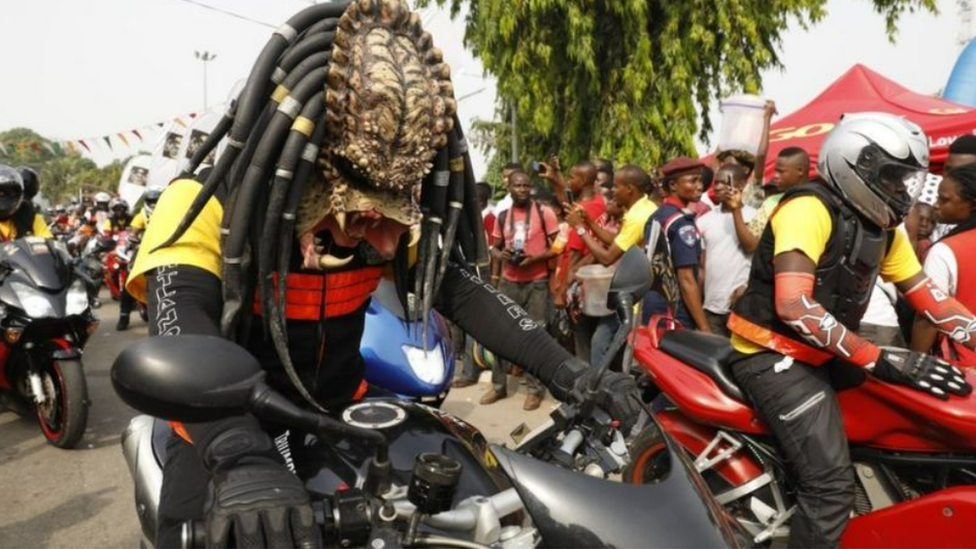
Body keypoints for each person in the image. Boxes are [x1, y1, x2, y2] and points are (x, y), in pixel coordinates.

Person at [127, 4, 640, 547]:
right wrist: (237, 449)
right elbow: (181, 324)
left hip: (344, 412)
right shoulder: (201, 204)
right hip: (220, 431)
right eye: (354, 208)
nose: (373, 232)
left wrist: (573, 374)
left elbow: (463, 290)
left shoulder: (385, 220)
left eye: (390, 208)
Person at [726, 113, 976, 547]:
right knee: (829, 489)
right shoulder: (808, 208)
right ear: (858, 165)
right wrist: (880, 358)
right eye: (893, 178)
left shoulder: (882, 228)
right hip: (773, 356)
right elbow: (794, 304)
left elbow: (929, 297)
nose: (902, 191)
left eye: (907, 181)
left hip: (827, 354)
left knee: (915, 431)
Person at [485, 170, 560, 410]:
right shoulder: (503, 215)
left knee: (535, 335)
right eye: (518, 186)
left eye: (527, 186)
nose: (522, 190)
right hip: (509, 281)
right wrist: (501, 254)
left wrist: (535, 258)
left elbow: (559, 246)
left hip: (536, 283)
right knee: (499, 334)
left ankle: (534, 390)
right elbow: (493, 248)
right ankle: (498, 386)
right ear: (509, 187)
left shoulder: (544, 212)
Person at [912, 163, 976, 364]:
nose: (936, 204)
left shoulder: (945, 251)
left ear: (972, 204)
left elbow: (928, 317)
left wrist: (916, 366)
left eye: (944, 199)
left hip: (962, 364)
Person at [642, 157, 709, 331]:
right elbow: (686, 279)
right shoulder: (681, 223)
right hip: (673, 310)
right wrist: (704, 327)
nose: (700, 186)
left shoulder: (659, 215)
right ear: (673, 185)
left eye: (700, 180)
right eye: (693, 180)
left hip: (653, 303)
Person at [696, 165, 755, 336]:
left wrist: (735, 209)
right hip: (710, 309)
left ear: (742, 185)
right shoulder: (704, 220)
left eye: (725, 182)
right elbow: (701, 265)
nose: (718, 187)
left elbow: (751, 247)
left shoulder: (756, 215)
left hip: (741, 309)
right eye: (716, 182)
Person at [566, 164, 657, 266]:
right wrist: (587, 220)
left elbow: (607, 259)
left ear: (629, 189)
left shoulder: (637, 217)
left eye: (616, 186)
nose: (612, 190)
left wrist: (579, 227)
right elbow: (615, 240)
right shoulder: (644, 206)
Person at [730, 146, 810, 253]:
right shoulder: (771, 203)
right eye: (776, 171)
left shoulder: (821, 200)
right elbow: (751, 245)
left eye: (781, 172)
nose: (775, 176)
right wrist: (736, 210)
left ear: (800, 170)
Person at [0, 165, 52, 241]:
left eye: (9, 192)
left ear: (20, 194)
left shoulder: (31, 217)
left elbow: (48, 243)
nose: (2, 197)